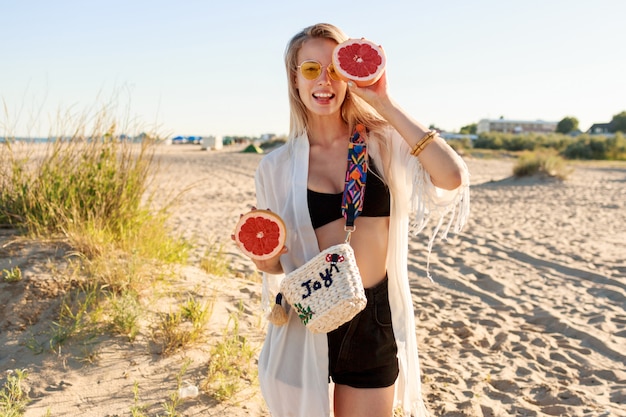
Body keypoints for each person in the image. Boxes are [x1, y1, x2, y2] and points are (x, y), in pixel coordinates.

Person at [246, 23, 469, 417]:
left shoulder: (381, 142)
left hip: (372, 317)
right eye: (311, 69)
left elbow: (451, 177)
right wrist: (264, 256)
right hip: (307, 318)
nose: (325, 80)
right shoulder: (275, 167)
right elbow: (276, 267)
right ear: (295, 79)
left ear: (349, 75)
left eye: (334, 68)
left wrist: (383, 101)